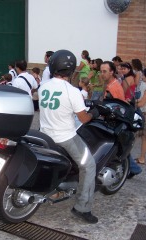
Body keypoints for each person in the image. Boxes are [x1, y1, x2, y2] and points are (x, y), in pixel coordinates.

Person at [38, 49, 99, 224]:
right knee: (89, 166)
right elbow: (84, 118)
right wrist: (94, 113)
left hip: (45, 134)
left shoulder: (43, 86)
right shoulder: (73, 91)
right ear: (71, 70)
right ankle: (82, 207)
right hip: (65, 137)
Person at [100, 61, 141, 178]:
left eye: (105, 71)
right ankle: (133, 168)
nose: (102, 74)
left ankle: (133, 168)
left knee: (119, 146)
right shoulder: (112, 84)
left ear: (112, 72)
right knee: (120, 146)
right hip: (114, 119)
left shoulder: (113, 87)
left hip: (115, 120)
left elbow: (118, 105)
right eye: (101, 71)